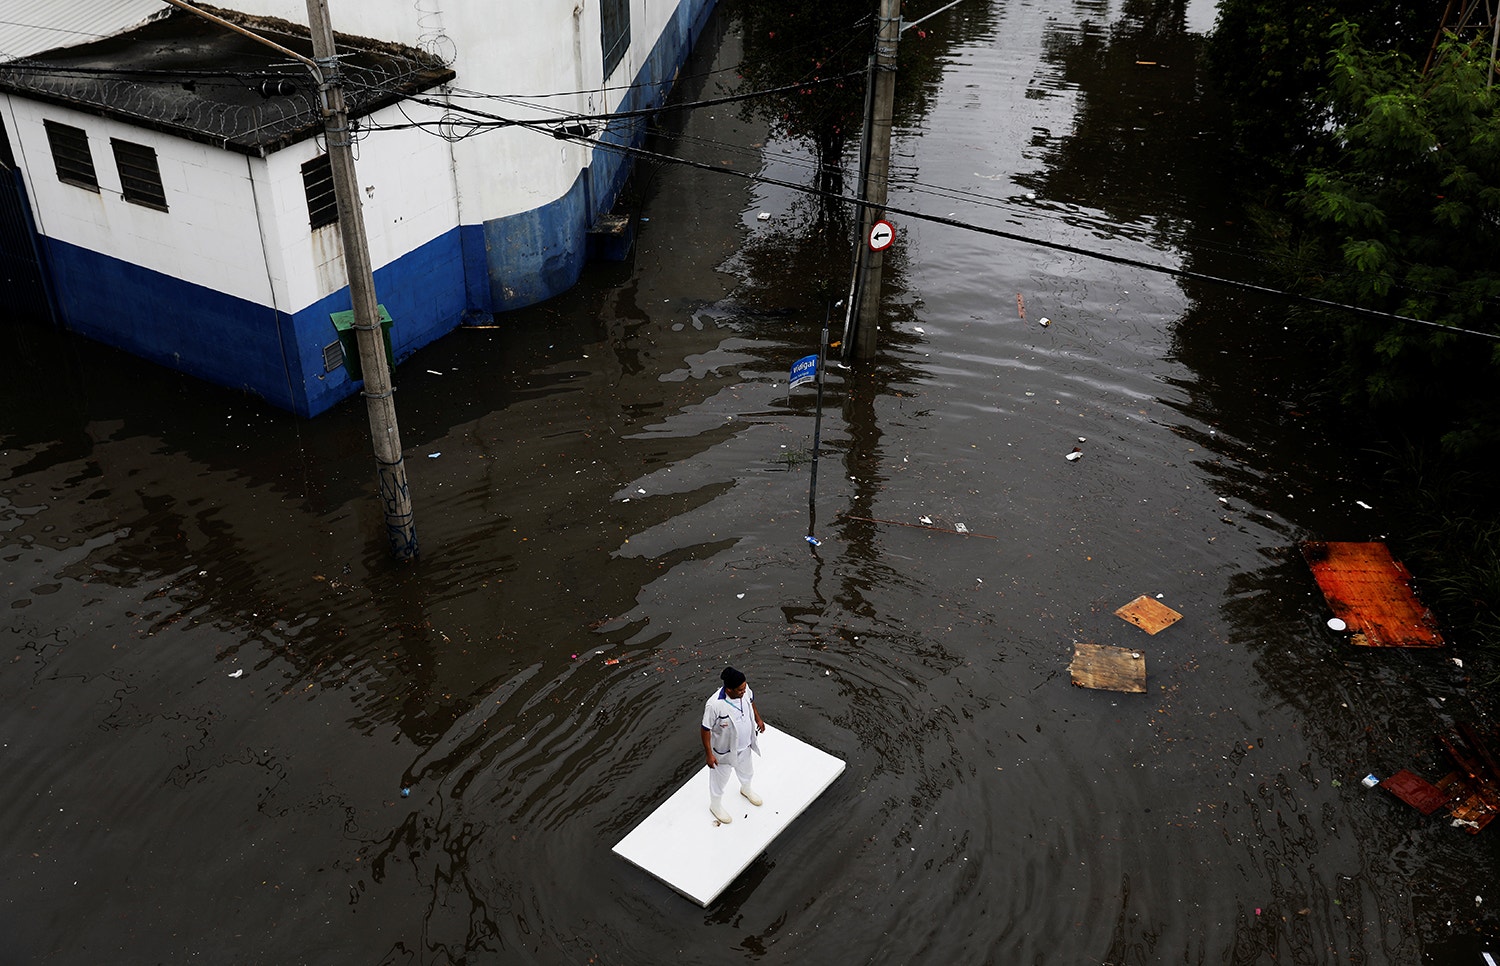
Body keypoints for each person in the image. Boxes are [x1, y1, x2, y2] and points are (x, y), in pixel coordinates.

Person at [700, 666, 766, 823]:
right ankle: (715, 806)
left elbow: (751, 702)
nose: (744, 691)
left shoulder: (745, 690)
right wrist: (709, 754)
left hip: (745, 746)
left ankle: (746, 789)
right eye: (740, 690)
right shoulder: (714, 705)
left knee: (747, 771)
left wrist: (758, 718)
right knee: (719, 782)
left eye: (745, 687)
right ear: (729, 689)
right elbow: (705, 729)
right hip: (724, 751)